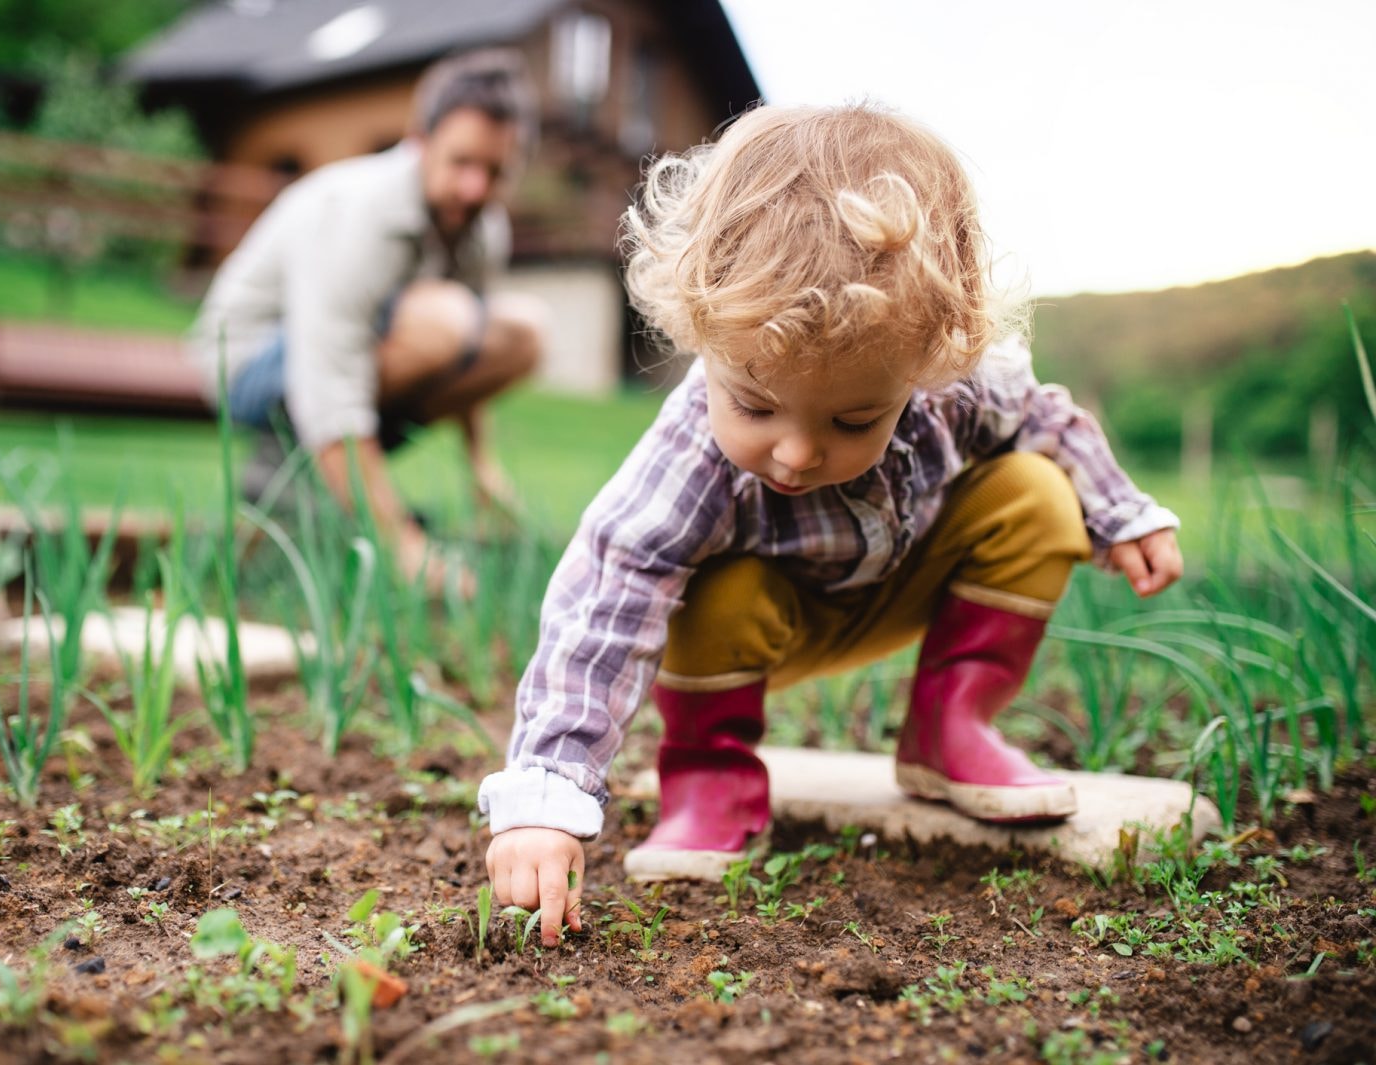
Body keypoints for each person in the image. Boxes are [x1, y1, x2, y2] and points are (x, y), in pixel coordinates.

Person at [476, 103, 1184, 946]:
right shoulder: (689, 454)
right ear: (704, 336)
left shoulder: (953, 384)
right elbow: (604, 595)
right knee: (702, 584)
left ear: (925, 363)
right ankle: (709, 774)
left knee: (1035, 489)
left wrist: (1120, 512)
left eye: (854, 420)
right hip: (758, 629)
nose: (797, 451)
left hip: (902, 582)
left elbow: (1048, 419)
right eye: (755, 404)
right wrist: (547, 796)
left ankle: (950, 727)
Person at [188, 49, 545, 591]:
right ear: (419, 143)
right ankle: (290, 473)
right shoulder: (362, 212)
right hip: (248, 362)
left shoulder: (482, 226)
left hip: (347, 359)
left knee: (521, 335)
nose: (475, 189)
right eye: (461, 163)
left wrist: (481, 468)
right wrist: (402, 544)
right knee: (445, 319)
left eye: (495, 172)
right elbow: (330, 379)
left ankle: (315, 481)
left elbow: (473, 352)